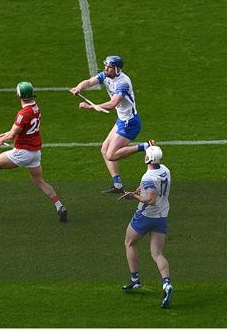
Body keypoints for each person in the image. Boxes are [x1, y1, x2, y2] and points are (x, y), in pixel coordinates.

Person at [0, 82, 68, 223]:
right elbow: (20, 129)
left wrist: (2, 139)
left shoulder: (23, 113)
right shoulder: (36, 108)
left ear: (18, 95)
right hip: (35, 153)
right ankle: (59, 206)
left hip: (22, 153)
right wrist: (4, 134)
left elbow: (14, 134)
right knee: (39, 181)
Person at [69, 55, 152, 193]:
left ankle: (145, 146)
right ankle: (118, 185)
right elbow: (89, 82)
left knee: (111, 155)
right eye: (106, 66)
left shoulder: (123, 83)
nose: (106, 68)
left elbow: (112, 104)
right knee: (104, 149)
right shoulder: (106, 75)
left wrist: (90, 106)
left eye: (109, 67)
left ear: (117, 69)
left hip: (129, 123)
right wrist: (78, 87)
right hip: (122, 120)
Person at [118, 145, 173, 308]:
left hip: (146, 216)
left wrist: (134, 196)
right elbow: (152, 190)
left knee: (129, 242)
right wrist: (137, 191)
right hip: (162, 216)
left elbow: (150, 199)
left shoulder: (148, 177)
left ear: (147, 158)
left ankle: (135, 279)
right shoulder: (165, 170)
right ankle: (166, 284)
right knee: (157, 253)